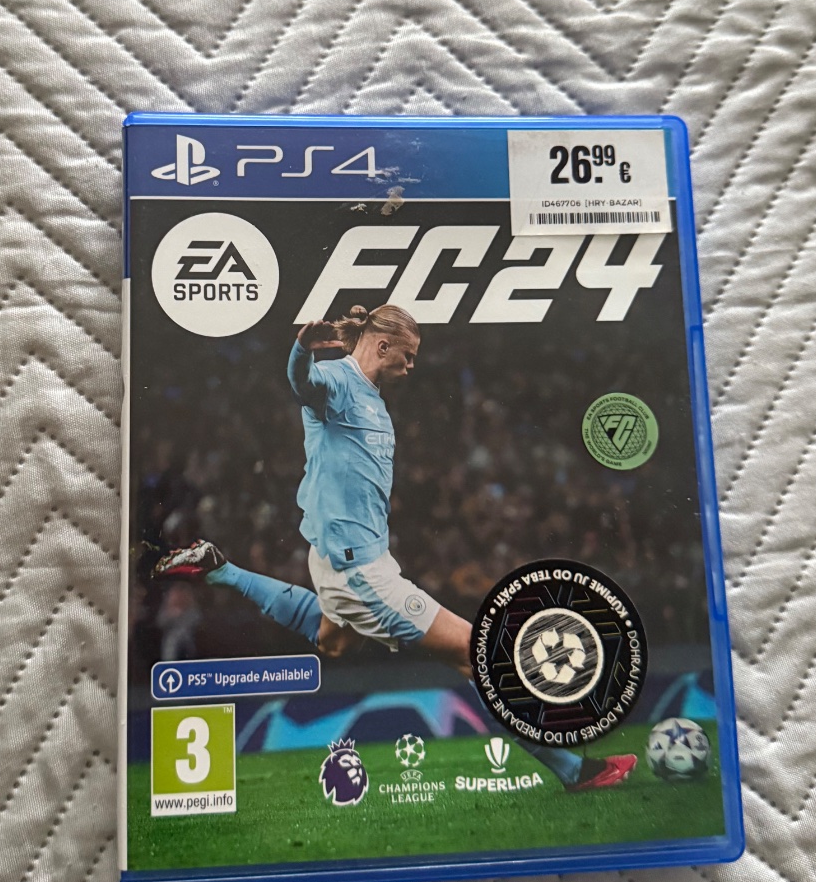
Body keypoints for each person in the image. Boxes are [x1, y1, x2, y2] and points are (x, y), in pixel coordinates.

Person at [154, 304, 634, 793]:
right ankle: (574, 770)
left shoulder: (375, 401)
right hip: (360, 570)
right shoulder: (338, 382)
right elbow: (302, 383)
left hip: (352, 561)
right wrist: (301, 349)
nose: (412, 365)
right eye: (409, 355)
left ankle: (222, 570)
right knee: (477, 653)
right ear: (383, 346)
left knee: (333, 640)